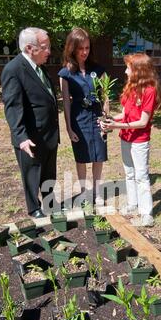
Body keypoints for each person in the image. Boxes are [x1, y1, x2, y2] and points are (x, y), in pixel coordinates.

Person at [1, 27, 59, 218]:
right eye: (45, 47)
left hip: (48, 134)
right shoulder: (13, 70)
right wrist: (21, 137)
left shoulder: (40, 67)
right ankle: (34, 208)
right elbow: (13, 107)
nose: (49, 51)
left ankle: (50, 204)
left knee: (49, 173)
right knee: (32, 173)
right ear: (29, 48)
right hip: (30, 137)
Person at [100, 53, 161, 226]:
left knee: (141, 176)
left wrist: (116, 126)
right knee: (129, 173)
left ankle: (146, 214)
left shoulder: (149, 90)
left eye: (128, 67)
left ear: (138, 70)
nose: (126, 71)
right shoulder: (130, 88)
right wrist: (112, 119)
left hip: (139, 140)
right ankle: (133, 204)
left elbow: (142, 122)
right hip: (126, 137)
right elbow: (125, 114)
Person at [58, 27, 108, 206]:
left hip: (96, 118)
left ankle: (97, 192)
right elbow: (65, 103)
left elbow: (105, 96)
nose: (84, 52)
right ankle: (83, 192)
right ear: (72, 48)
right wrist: (69, 128)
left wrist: (105, 119)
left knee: (98, 156)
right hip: (78, 120)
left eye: (87, 48)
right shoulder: (66, 73)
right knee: (82, 157)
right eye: (81, 48)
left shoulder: (98, 70)